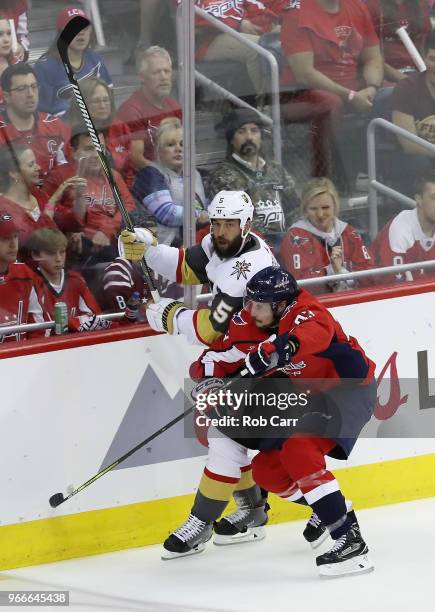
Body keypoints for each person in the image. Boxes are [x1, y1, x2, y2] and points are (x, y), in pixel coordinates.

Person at [178, 266, 375, 577]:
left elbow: (312, 334)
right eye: (249, 303)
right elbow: (217, 355)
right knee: (267, 472)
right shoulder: (252, 319)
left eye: (258, 305)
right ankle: (328, 510)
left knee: (299, 449)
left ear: (280, 305)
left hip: (348, 390)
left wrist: (276, 350)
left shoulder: (306, 311)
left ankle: (350, 540)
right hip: (309, 396)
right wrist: (209, 380)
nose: (250, 311)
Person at [119, 190, 277, 345]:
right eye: (217, 223)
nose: (221, 232)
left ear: (246, 225)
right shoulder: (236, 242)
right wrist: (149, 251)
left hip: (261, 346)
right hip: (243, 342)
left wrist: (173, 317)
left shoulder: (244, 272)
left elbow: (211, 331)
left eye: (229, 224)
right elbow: (184, 266)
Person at [279, 0, 383, 177]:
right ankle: (326, 176)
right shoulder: (296, 13)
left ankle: (385, 174)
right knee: (329, 104)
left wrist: (372, 88)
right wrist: (349, 95)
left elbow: (374, 58)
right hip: (301, 91)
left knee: (391, 95)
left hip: (351, 86)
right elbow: (304, 74)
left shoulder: (357, 6)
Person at [208, 108, 299, 249]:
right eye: (241, 131)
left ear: (261, 137)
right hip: (253, 248)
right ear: (232, 139)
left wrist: (294, 236)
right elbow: (241, 222)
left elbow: (295, 207)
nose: (249, 137)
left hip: (288, 243)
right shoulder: (222, 176)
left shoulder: (276, 169)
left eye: (254, 131)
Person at [43, 129, 136, 266]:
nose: (95, 155)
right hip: (77, 251)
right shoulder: (59, 176)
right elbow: (47, 212)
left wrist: (107, 231)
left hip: (112, 244)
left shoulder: (112, 175)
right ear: (74, 152)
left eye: (100, 148)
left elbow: (128, 206)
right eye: (88, 149)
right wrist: (69, 230)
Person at [280, 177, 372, 293]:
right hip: (315, 305)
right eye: (313, 209)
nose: (320, 214)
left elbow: (369, 273)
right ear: (305, 209)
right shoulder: (295, 237)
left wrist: (342, 273)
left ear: (335, 205)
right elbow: (301, 282)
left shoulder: (349, 233)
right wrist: (331, 271)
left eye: (325, 207)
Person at [133, 117, 208, 246]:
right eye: (171, 144)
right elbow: (167, 214)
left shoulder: (194, 174)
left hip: (195, 242)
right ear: (159, 151)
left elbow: (203, 206)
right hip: (163, 248)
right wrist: (198, 216)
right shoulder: (150, 174)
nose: (178, 149)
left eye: (183, 144)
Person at [27, 227, 114, 333]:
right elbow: (37, 333)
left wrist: (69, 324)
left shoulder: (76, 280)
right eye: (51, 253)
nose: (58, 259)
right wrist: (76, 323)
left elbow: (96, 320)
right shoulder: (31, 284)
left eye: (62, 252)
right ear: (36, 255)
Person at [34, 6, 113, 117]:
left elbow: (109, 97)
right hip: (64, 129)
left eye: (84, 28)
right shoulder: (45, 67)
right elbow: (41, 113)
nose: (80, 33)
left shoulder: (95, 59)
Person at [116, 46, 182, 170]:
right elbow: (137, 159)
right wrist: (166, 175)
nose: (163, 77)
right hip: (148, 179)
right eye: (156, 72)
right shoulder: (131, 110)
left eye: (167, 71)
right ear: (142, 77)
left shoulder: (174, 106)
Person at [0, 63, 70, 178]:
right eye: (21, 89)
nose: (30, 94)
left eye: (34, 86)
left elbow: (69, 170)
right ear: (7, 96)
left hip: (56, 192)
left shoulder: (55, 125)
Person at [65, 77, 134, 188]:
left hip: (124, 191)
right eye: (96, 101)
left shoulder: (120, 127)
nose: (103, 106)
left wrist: (126, 190)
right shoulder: (73, 135)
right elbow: (74, 172)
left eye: (106, 100)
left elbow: (130, 168)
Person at [390, 31, 435, 197]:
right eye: (433, 59)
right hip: (414, 158)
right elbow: (409, 144)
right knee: (418, 164)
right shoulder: (406, 88)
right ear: (424, 58)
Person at [370, 171, 435, 281]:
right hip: (374, 294)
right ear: (419, 199)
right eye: (434, 197)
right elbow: (395, 287)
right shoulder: (401, 229)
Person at [0, 144, 60, 259]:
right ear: (14, 173)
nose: (38, 167)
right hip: (24, 271)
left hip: (51, 266)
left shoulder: (40, 195)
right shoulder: (3, 208)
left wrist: (78, 197)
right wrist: (49, 210)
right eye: (31, 164)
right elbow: (29, 242)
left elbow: (69, 221)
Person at [0, 210, 46, 342]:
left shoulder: (25, 274)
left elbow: (38, 329)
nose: (13, 244)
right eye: (5, 239)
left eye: (15, 237)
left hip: (23, 357)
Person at [363, 0, 431, 83]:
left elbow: (426, 44)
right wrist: (406, 81)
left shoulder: (421, 4)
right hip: (386, 78)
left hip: (420, 75)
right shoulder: (372, 6)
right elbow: (370, 57)